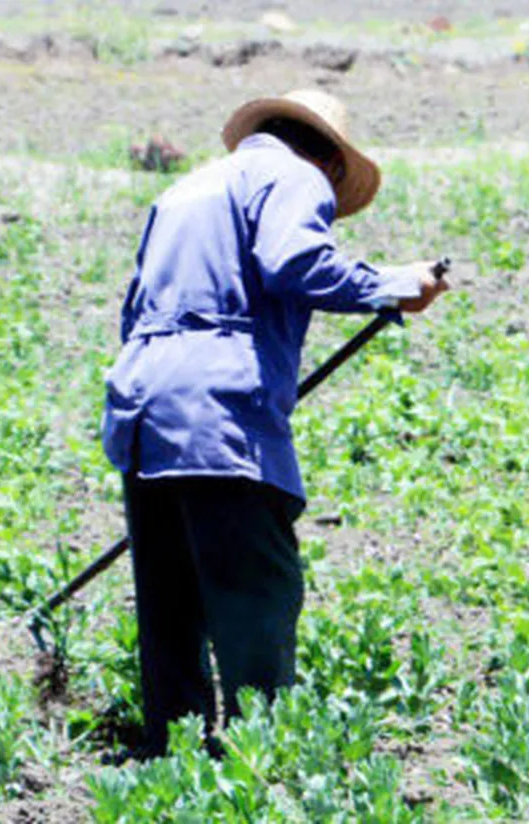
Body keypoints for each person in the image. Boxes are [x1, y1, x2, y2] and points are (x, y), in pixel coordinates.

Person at [100, 90, 449, 759]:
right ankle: (264, 758)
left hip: (143, 404)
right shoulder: (294, 176)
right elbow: (294, 262)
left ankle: (169, 757)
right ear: (327, 161)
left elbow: (133, 308)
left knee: (169, 601)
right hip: (220, 408)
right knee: (256, 588)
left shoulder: (185, 190)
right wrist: (391, 283)